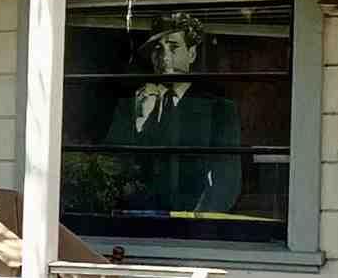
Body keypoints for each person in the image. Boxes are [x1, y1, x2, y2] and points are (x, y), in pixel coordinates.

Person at [102, 11, 242, 218]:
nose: (165, 57)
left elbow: (226, 182)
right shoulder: (133, 104)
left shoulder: (217, 110)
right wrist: (139, 120)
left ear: (192, 54)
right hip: (134, 224)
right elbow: (110, 167)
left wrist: (197, 224)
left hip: (190, 228)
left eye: (174, 47)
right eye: (158, 49)